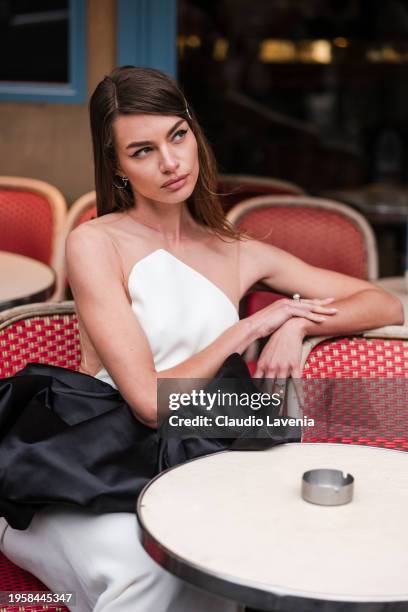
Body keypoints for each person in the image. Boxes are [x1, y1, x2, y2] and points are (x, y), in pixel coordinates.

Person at [0, 66, 403, 612]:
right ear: (117, 165)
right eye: (142, 151)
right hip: (92, 467)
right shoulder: (96, 242)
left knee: (255, 552)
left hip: (202, 446)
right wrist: (244, 329)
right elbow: (146, 401)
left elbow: (381, 302)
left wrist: (297, 322)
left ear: (194, 133)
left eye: (177, 136)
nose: (170, 163)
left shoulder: (236, 250)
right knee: (155, 568)